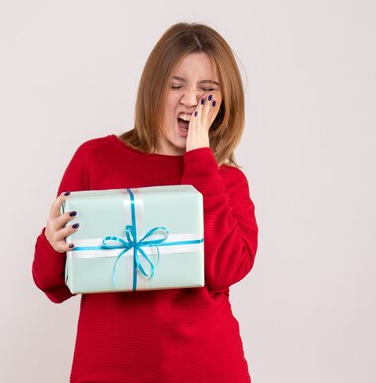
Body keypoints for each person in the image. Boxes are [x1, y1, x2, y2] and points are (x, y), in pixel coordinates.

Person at [32, 22, 258, 383]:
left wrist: (200, 159)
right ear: (154, 88)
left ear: (222, 101)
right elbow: (52, 285)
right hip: (108, 368)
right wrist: (51, 242)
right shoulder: (95, 159)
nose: (190, 99)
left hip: (205, 368)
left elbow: (225, 271)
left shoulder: (227, 180)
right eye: (176, 85)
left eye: (207, 89)